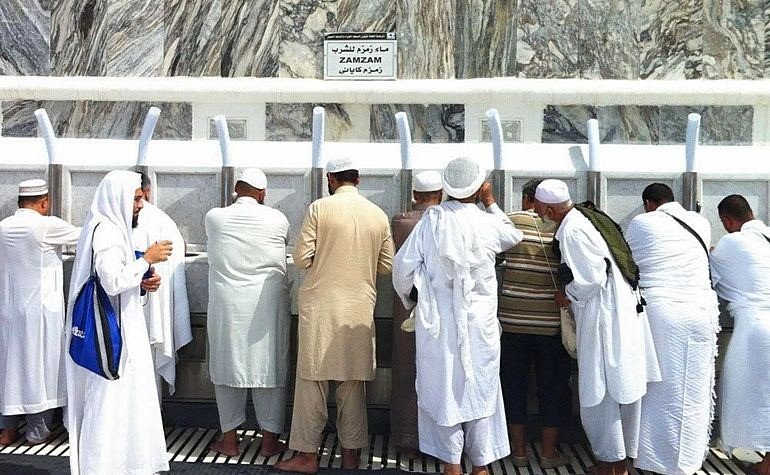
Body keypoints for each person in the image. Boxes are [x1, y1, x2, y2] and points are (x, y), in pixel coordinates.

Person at [392, 157, 523, 475]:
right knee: (480, 390)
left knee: (444, 392)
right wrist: (490, 202)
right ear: (479, 187)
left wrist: (413, 300)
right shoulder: (488, 222)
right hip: (480, 326)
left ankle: (451, 465)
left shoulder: (432, 221)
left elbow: (402, 269)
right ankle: (480, 466)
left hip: (439, 326)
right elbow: (512, 235)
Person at [533, 179, 660, 475]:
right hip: (619, 315)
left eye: (539, 208)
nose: (538, 213)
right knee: (621, 391)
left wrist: (566, 295)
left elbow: (591, 279)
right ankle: (615, 462)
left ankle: (612, 466)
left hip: (603, 320)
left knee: (600, 395)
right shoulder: (585, 218)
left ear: (549, 209)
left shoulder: (573, 231)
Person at [276, 157, 394, 474]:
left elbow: (301, 257)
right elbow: (387, 266)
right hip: (358, 311)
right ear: (358, 179)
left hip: (321, 311)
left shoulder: (319, 209)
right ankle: (352, 455)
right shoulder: (378, 215)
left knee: (311, 384)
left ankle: (306, 456)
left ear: (331, 179)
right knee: (352, 385)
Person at [64, 170, 173, 474]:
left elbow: (114, 280)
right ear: (119, 198)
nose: (142, 203)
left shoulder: (110, 228)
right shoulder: (109, 232)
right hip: (113, 336)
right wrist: (147, 259)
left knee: (124, 404)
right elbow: (111, 281)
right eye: (137, 198)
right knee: (110, 403)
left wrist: (141, 282)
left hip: (122, 328)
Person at [626, 183, 719, 475]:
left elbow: (629, 264)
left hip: (663, 313)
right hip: (703, 312)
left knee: (656, 387)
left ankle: (653, 459)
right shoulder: (700, 222)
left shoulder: (643, 222)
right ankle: (688, 460)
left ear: (648, 203)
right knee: (693, 387)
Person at [205, 168, 290, 457]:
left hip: (228, 306)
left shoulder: (214, 217)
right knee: (270, 368)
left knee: (226, 366)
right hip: (267, 304)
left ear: (236, 191)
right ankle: (268, 443)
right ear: (263, 194)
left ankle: (229, 442)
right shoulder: (278, 219)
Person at [498, 179, 572, 468]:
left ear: (528, 199)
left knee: (513, 385)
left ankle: (517, 453)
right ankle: (549, 454)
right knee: (552, 387)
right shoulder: (564, 225)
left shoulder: (511, 222)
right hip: (551, 325)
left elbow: (495, 256)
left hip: (512, 322)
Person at [0, 179, 81, 445]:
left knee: (9, 368)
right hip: (41, 314)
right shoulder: (46, 226)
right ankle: (37, 432)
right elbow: (87, 236)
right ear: (44, 202)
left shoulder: (3, 227)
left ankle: (8, 430)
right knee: (41, 369)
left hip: (8, 311)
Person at [710, 194, 770, 475]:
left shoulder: (732, 242)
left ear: (727, 221)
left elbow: (709, 275)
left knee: (751, 394)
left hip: (757, 329)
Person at [389, 170, 443, 458]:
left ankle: (407, 440)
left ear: (414, 195)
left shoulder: (401, 221)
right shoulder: (448, 223)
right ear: (442, 195)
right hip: (443, 310)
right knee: (438, 373)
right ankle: (438, 442)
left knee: (407, 370)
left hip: (407, 308)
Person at [132, 171, 192, 399]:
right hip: (150, 307)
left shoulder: (105, 220)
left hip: (141, 301)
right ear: (148, 191)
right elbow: (176, 265)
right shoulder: (162, 220)